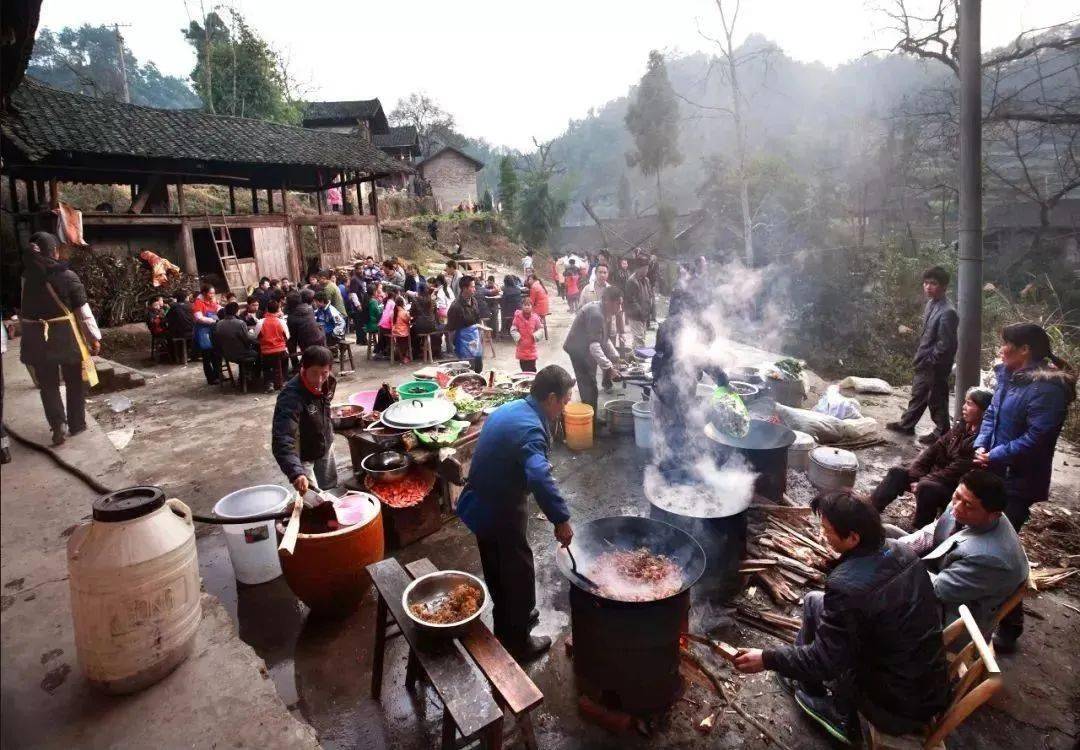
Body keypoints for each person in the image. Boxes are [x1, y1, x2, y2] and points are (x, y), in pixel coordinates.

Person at [734, 490, 948, 745]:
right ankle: (804, 680)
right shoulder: (902, 552)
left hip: (895, 705)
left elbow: (826, 662)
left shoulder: (847, 588)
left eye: (828, 531)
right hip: (922, 680)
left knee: (825, 665)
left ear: (854, 537)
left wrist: (767, 658)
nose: (823, 536)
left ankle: (840, 715)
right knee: (814, 599)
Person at [456, 365, 576, 660]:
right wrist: (561, 519)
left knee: (498, 569)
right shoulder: (532, 430)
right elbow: (538, 475)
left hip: (480, 503)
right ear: (550, 398)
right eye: (564, 401)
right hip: (499, 509)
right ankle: (518, 642)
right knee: (518, 573)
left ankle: (506, 622)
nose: (564, 408)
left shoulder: (512, 409)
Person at [973, 323, 1075, 651]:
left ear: (1025, 349)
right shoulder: (1008, 375)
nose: (1000, 349)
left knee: (1001, 551)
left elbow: (1038, 438)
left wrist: (997, 454)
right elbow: (991, 417)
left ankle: (1010, 624)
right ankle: (973, 607)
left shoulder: (1048, 388)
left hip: (1019, 480)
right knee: (975, 537)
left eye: (1005, 345)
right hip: (994, 469)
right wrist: (981, 445)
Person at [895, 470, 1030, 637]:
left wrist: (898, 563)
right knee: (888, 534)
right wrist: (899, 547)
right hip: (946, 570)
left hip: (953, 613)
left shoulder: (990, 559)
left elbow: (937, 589)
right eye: (957, 496)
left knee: (879, 602)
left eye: (968, 505)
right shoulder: (965, 504)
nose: (957, 507)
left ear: (993, 515)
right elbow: (938, 528)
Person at [18, 232, 102, 445]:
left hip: (37, 338)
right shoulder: (67, 276)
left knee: (48, 384)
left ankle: (58, 425)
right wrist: (94, 337)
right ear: (54, 251)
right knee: (74, 381)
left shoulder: (27, 279)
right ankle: (76, 424)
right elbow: (83, 311)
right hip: (65, 337)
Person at [871, 387, 992, 528]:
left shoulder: (982, 442)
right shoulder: (960, 427)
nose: (964, 407)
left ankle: (920, 529)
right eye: (965, 402)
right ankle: (870, 512)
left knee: (926, 487)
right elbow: (934, 450)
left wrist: (922, 481)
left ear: (984, 410)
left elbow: (956, 470)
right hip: (934, 476)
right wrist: (915, 475)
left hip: (952, 487)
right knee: (896, 473)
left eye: (970, 404)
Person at [887, 266, 959, 442]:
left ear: (944, 287)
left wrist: (931, 360)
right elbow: (928, 335)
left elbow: (946, 344)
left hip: (936, 364)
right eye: (926, 283)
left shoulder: (948, 311)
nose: (928, 287)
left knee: (936, 398)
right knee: (918, 393)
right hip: (925, 360)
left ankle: (942, 432)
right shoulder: (931, 304)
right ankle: (907, 425)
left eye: (933, 284)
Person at [272, 345, 339, 494]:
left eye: (324, 373)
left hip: (325, 445)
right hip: (304, 456)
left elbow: (324, 406)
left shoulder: (329, 381)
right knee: (313, 498)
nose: (319, 379)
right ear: (304, 368)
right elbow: (283, 437)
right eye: (314, 373)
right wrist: (296, 472)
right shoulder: (290, 396)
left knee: (330, 490)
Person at [563, 286, 624, 413]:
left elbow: (605, 338)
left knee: (591, 384)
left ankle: (592, 417)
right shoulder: (596, 314)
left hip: (586, 348)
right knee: (588, 385)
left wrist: (616, 356)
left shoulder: (606, 312)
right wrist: (609, 368)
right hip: (578, 350)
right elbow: (594, 346)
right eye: (618, 304)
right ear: (608, 301)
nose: (620, 307)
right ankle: (590, 422)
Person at [213, 301, 259, 386]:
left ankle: (244, 376)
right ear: (236, 311)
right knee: (258, 353)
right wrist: (257, 339)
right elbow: (247, 339)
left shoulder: (219, 323)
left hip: (226, 354)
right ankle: (250, 375)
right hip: (241, 353)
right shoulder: (240, 323)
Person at [446, 275, 484, 372]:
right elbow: (451, 329)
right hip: (462, 343)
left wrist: (481, 333)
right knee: (467, 371)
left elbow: (478, 318)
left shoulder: (474, 301)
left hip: (475, 340)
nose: (474, 289)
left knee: (478, 367)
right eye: (472, 287)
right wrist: (453, 346)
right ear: (464, 288)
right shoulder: (456, 307)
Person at [255, 299, 290, 391]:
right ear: (278, 310)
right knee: (284, 362)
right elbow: (287, 336)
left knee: (266, 366)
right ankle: (284, 380)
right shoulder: (281, 322)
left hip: (266, 351)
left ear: (267, 309)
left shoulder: (260, 322)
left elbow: (256, 336)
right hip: (280, 350)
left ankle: (269, 383)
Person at [286, 290, 326, 371]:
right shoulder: (309, 308)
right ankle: (302, 362)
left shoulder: (291, 317)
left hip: (307, 344)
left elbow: (293, 336)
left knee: (290, 342)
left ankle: (296, 365)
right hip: (320, 338)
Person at [193, 284, 222, 385]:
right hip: (202, 331)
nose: (212, 295)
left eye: (214, 293)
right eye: (210, 293)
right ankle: (211, 378)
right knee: (207, 355)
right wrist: (213, 320)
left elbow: (218, 309)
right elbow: (198, 317)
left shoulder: (212, 300)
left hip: (213, 329)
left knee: (216, 353)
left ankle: (218, 374)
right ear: (204, 293)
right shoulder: (198, 302)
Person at [623, 258, 651, 349]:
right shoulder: (632, 281)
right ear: (639, 268)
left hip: (644, 315)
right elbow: (631, 300)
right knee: (639, 339)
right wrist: (640, 312)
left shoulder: (646, 280)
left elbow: (649, 295)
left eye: (647, 268)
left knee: (640, 338)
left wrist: (648, 311)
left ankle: (635, 357)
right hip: (635, 316)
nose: (647, 270)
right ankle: (640, 359)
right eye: (645, 268)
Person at [512, 298, 543, 372]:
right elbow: (513, 329)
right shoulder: (517, 317)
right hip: (521, 348)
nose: (527, 307)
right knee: (523, 368)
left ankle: (532, 382)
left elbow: (540, 329)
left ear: (531, 306)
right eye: (525, 305)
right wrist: (517, 337)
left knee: (532, 369)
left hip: (531, 348)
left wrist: (535, 336)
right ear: (522, 306)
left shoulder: (535, 318)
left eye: (528, 305)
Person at [410, 288, 441, 361]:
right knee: (437, 331)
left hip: (419, 327)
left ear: (419, 292)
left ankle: (416, 352)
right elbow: (436, 316)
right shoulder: (432, 301)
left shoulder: (415, 300)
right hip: (432, 327)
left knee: (411, 332)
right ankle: (436, 352)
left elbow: (412, 313)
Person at [348, 263, 368, 344]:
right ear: (355, 270)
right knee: (359, 323)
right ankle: (361, 340)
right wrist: (358, 304)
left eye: (362, 268)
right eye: (359, 269)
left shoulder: (362, 278)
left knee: (361, 322)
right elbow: (353, 293)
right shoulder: (354, 279)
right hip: (358, 303)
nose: (361, 270)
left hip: (363, 302)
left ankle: (362, 340)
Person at [499, 275, 524, 339]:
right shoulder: (518, 289)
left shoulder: (505, 290)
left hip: (509, 313)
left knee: (502, 310)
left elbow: (503, 302)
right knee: (507, 309)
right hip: (519, 311)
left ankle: (503, 331)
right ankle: (510, 330)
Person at [390, 294, 412, 363]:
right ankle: (403, 357)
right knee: (405, 342)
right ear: (402, 303)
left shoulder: (393, 312)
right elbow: (408, 320)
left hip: (395, 332)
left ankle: (400, 356)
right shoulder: (404, 312)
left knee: (399, 343)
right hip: (403, 332)